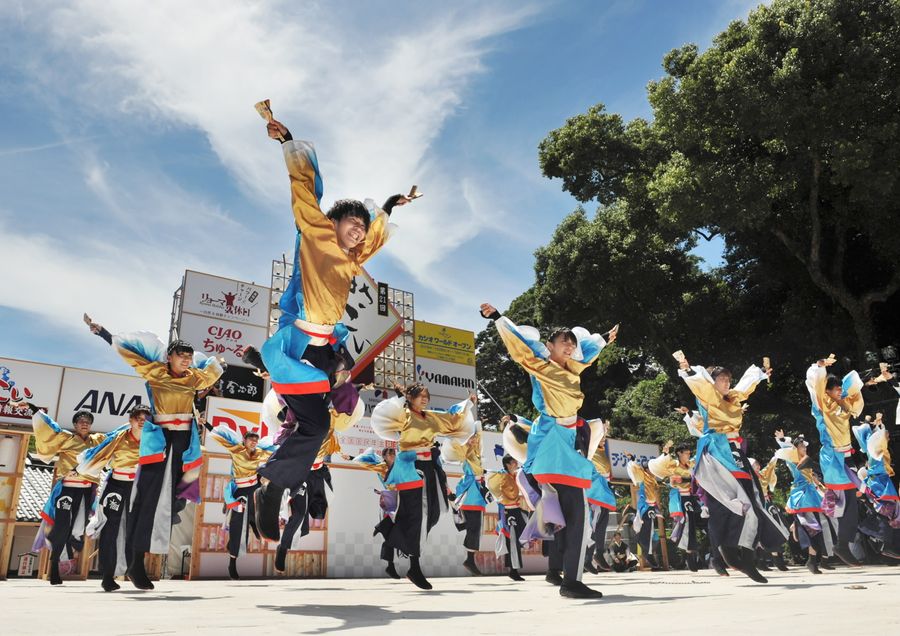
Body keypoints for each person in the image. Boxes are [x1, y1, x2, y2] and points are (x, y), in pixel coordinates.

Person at [248, 116, 417, 544]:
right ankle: (272, 482)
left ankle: (270, 485)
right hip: (298, 344)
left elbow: (376, 235)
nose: (358, 230)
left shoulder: (353, 257)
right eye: (351, 222)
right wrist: (287, 141)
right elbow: (305, 193)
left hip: (324, 348)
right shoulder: (315, 234)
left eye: (361, 226)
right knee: (316, 418)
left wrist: (390, 205)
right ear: (334, 222)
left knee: (318, 426)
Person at [480, 302, 616, 599]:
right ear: (549, 346)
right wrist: (499, 318)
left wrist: (604, 337)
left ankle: (564, 574)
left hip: (565, 440)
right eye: (563, 341)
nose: (569, 346)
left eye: (572, 342)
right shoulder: (540, 365)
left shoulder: (576, 365)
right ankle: (570, 580)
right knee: (577, 513)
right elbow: (520, 346)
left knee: (566, 515)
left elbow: (589, 353)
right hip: (554, 442)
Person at [87, 319, 224, 590]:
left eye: (188, 356)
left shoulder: (195, 378)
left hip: (184, 441)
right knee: (147, 501)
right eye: (180, 355)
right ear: (169, 357)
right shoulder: (155, 372)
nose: (185, 359)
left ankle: (144, 552)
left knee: (174, 500)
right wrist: (103, 332)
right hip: (161, 441)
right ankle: (135, 562)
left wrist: (225, 362)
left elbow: (213, 372)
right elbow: (128, 355)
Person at [676, 353, 785, 583]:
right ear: (712, 382)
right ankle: (730, 552)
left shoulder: (733, 396)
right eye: (721, 379)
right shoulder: (708, 395)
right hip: (718, 452)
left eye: (728, 379)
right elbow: (698, 383)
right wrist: (687, 370)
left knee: (752, 502)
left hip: (735, 453)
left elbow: (746, 387)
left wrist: (762, 375)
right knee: (731, 504)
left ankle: (742, 555)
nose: (726, 382)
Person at [371, 384, 476, 590]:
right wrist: (401, 398)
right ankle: (414, 567)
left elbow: (452, 419)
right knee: (417, 518)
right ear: (411, 398)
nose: (425, 399)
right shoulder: (404, 415)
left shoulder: (431, 417)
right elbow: (387, 416)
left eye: (426, 396)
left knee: (433, 513)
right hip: (412, 469)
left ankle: (391, 532)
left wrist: (467, 405)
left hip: (430, 468)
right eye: (420, 396)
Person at [275, 401, 362, 573]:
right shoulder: (302, 422)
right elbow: (286, 420)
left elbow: (334, 444)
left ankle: (287, 542)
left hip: (318, 473)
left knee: (318, 509)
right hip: (301, 473)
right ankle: (283, 548)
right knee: (299, 513)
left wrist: (344, 454)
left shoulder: (328, 425)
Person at [77, 404, 149, 591]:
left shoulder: (153, 440)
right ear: (131, 420)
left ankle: (134, 570)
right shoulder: (118, 438)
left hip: (137, 488)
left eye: (145, 419)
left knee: (136, 529)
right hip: (116, 485)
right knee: (111, 529)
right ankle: (107, 576)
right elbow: (99, 453)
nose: (142, 422)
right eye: (138, 419)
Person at [29, 408, 106, 585]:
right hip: (67, 489)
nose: (84, 423)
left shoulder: (98, 440)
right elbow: (49, 425)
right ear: (75, 425)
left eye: (87, 421)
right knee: (62, 527)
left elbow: (116, 437)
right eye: (81, 421)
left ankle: (71, 543)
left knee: (80, 527)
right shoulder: (66, 438)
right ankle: (54, 566)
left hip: (87, 490)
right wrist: (34, 409)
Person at [806, 355, 866, 565]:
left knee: (851, 503)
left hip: (844, 457)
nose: (840, 391)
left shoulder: (841, 405)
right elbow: (816, 386)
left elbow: (855, 403)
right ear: (827, 391)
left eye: (840, 388)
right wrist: (820, 367)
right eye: (836, 388)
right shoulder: (822, 406)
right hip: (832, 458)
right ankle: (840, 544)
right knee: (848, 501)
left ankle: (842, 543)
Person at [208, 424, 277, 580]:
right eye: (250, 439)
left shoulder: (261, 452)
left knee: (271, 496)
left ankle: (254, 522)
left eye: (255, 439)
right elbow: (220, 437)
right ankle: (232, 562)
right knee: (237, 526)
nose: (253, 442)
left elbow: (278, 448)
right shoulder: (236, 450)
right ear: (244, 440)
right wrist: (205, 424)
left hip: (255, 488)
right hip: (240, 491)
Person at [773, 432, 833, 574]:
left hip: (812, 496)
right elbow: (787, 450)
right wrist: (783, 439)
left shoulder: (807, 460)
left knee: (817, 532)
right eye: (801, 447)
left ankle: (811, 560)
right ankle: (798, 529)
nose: (804, 449)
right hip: (802, 497)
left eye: (804, 447)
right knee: (812, 529)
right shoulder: (793, 460)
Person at [853, 415, 900, 559]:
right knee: (889, 514)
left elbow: (874, 440)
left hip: (880, 485)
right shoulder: (875, 453)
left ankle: (885, 544)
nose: (888, 437)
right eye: (886, 436)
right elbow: (874, 440)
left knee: (890, 516)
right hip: (879, 486)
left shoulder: (875, 452)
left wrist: (877, 425)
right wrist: (875, 426)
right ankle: (883, 542)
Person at [649, 439, 699, 571]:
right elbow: (672, 478)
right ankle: (688, 554)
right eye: (685, 453)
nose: (688, 455)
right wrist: (665, 452)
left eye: (689, 453)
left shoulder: (690, 465)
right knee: (687, 523)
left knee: (694, 524)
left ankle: (688, 552)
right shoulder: (674, 465)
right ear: (679, 453)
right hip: (682, 497)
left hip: (693, 497)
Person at [446, 421, 488, 576]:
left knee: (474, 528)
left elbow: (479, 437)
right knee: (474, 528)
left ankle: (470, 559)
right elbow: (455, 442)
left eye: (475, 437)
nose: (474, 439)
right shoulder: (466, 452)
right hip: (471, 494)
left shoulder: (476, 452)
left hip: (475, 494)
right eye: (471, 437)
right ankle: (470, 559)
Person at [354, 447, 401, 578]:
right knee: (391, 533)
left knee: (395, 532)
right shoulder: (381, 466)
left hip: (398, 496)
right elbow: (361, 461)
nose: (392, 455)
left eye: (393, 453)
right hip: (389, 498)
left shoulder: (398, 466)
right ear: (384, 456)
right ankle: (390, 566)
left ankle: (390, 566)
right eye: (389, 453)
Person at [487, 455, 528, 581]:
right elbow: (505, 494)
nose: (516, 463)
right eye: (514, 462)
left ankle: (514, 569)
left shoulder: (513, 476)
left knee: (517, 538)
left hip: (515, 509)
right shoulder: (503, 477)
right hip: (508, 512)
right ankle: (513, 570)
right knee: (513, 540)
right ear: (508, 464)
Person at [584, 420, 616, 573]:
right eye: (601, 435)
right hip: (595, 491)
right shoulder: (590, 448)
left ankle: (594, 555)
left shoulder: (602, 450)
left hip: (603, 491)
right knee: (594, 524)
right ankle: (590, 556)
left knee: (601, 524)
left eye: (605, 435)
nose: (604, 438)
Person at [627, 452, 663, 569]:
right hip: (645, 506)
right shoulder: (642, 475)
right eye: (650, 469)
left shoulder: (652, 478)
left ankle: (648, 552)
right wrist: (632, 460)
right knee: (647, 528)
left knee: (653, 533)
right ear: (646, 469)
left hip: (651, 506)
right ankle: (648, 553)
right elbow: (635, 469)